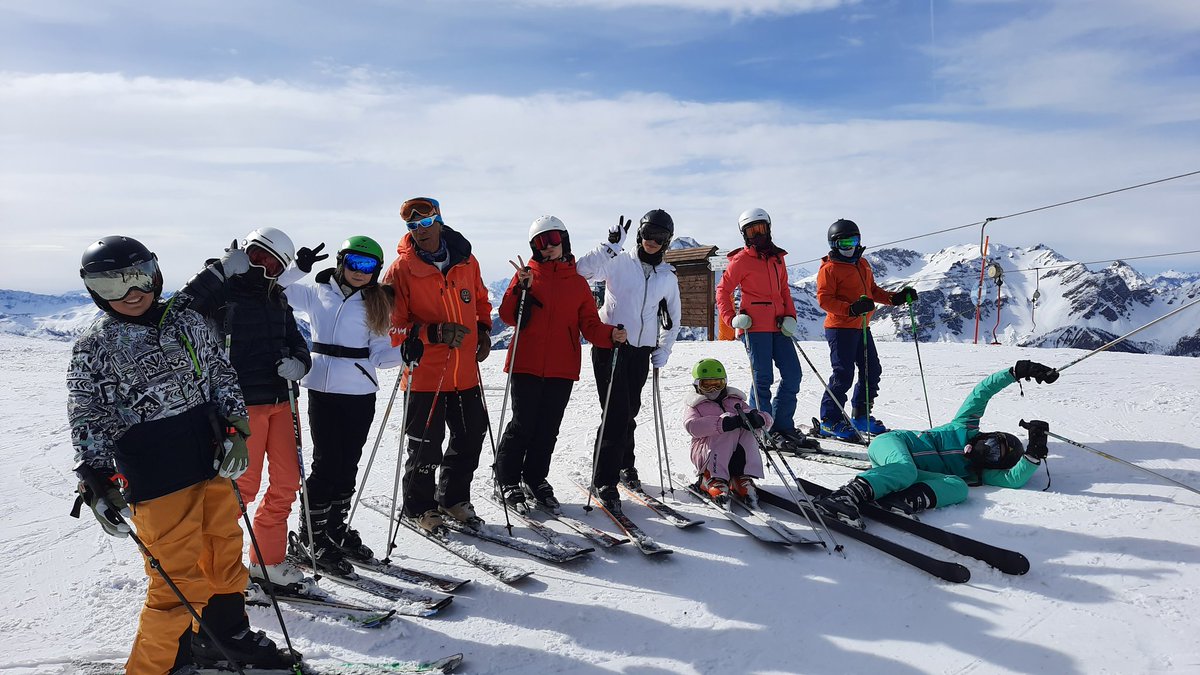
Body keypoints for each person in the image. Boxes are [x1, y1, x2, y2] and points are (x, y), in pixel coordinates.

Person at [68, 236, 293, 673]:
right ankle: (160, 666)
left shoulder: (185, 320)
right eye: (113, 285)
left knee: (223, 552)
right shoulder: (94, 344)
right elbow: (86, 412)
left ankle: (222, 635)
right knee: (176, 581)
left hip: (209, 459)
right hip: (155, 470)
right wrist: (96, 475)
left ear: (155, 274)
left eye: (138, 278)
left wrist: (236, 429)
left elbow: (220, 373)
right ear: (95, 290)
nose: (131, 293)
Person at [179, 227, 314, 588]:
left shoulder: (276, 297)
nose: (262, 268)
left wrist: (301, 363)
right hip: (239, 404)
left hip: (282, 400)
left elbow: (296, 341)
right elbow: (178, 313)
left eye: (272, 265)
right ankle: (213, 568)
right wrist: (220, 271)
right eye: (256, 256)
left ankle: (266, 563)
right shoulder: (220, 291)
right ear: (243, 250)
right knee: (242, 489)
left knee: (287, 482)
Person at [277, 235, 404, 572]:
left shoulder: (377, 302)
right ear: (341, 261)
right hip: (321, 388)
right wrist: (297, 269)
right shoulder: (317, 292)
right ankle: (311, 536)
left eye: (369, 266)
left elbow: (379, 355)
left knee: (347, 464)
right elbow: (274, 289)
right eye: (354, 263)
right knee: (326, 464)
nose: (360, 271)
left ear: (376, 270)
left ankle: (333, 529)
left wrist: (406, 351)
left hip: (360, 392)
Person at [814, 360, 1058, 523]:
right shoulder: (965, 425)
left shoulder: (976, 472)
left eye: (994, 456)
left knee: (959, 488)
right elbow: (982, 391)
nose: (988, 451)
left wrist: (1034, 452)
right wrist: (1017, 371)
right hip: (892, 444)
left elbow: (1013, 480)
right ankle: (844, 496)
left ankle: (901, 500)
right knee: (906, 470)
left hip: (907, 473)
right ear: (988, 435)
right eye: (993, 444)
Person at [494, 216, 627, 514]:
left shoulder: (578, 283)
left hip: (562, 366)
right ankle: (506, 479)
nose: (549, 246)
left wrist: (611, 335)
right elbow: (506, 316)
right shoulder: (527, 276)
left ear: (564, 239)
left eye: (553, 238)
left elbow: (590, 325)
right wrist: (520, 288)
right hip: (525, 362)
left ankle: (535, 477)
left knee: (547, 428)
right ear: (534, 247)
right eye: (541, 242)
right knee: (522, 424)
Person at [382, 197, 493, 533]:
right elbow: (392, 327)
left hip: (464, 372)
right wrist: (433, 332)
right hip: (424, 374)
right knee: (425, 446)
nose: (420, 231)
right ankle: (420, 506)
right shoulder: (400, 271)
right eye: (412, 226)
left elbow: (481, 300)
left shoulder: (466, 260)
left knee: (471, 436)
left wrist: (485, 331)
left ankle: (453, 498)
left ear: (440, 222)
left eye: (426, 223)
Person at [575, 209, 681, 512]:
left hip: (641, 351)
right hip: (611, 346)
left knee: (629, 409)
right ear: (639, 235)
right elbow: (581, 270)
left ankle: (624, 463)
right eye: (648, 234)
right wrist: (609, 247)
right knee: (616, 411)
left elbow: (674, 315)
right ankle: (604, 479)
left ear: (667, 241)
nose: (652, 241)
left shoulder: (667, 276)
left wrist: (664, 347)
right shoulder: (619, 261)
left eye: (660, 237)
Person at [716, 207, 812, 451]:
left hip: (779, 326)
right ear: (744, 235)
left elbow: (784, 291)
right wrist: (731, 318)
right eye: (751, 231)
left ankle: (782, 424)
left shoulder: (778, 258)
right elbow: (723, 291)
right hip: (754, 327)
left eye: (761, 229)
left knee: (793, 375)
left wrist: (790, 315)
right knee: (763, 379)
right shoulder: (741, 260)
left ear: (769, 228)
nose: (757, 235)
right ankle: (762, 428)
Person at [815, 218, 917, 440]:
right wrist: (850, 309)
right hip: (840, 328)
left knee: (872, 370)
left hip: (862, 327)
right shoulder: (829, 269)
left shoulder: (863, 264)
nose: (850, 247)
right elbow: (824, 300)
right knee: (843, 375)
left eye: (854, 240)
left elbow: (872, 291)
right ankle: (829, 421)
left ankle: (860, 415)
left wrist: (895, 298)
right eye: (844, 243)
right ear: (834, 245)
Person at [683, 358, 772, 508]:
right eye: (707, 385)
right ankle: (711, 478)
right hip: (707, 454)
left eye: (718, 384)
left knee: (748, 426)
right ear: (697, 385)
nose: (713, 390)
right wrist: (721, 424)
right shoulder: (695, 405)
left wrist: (759, 419)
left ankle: (739, 476)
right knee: (726, 423)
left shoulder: (734, 400)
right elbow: (692, 426)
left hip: (734, 453)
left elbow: (758, 416)